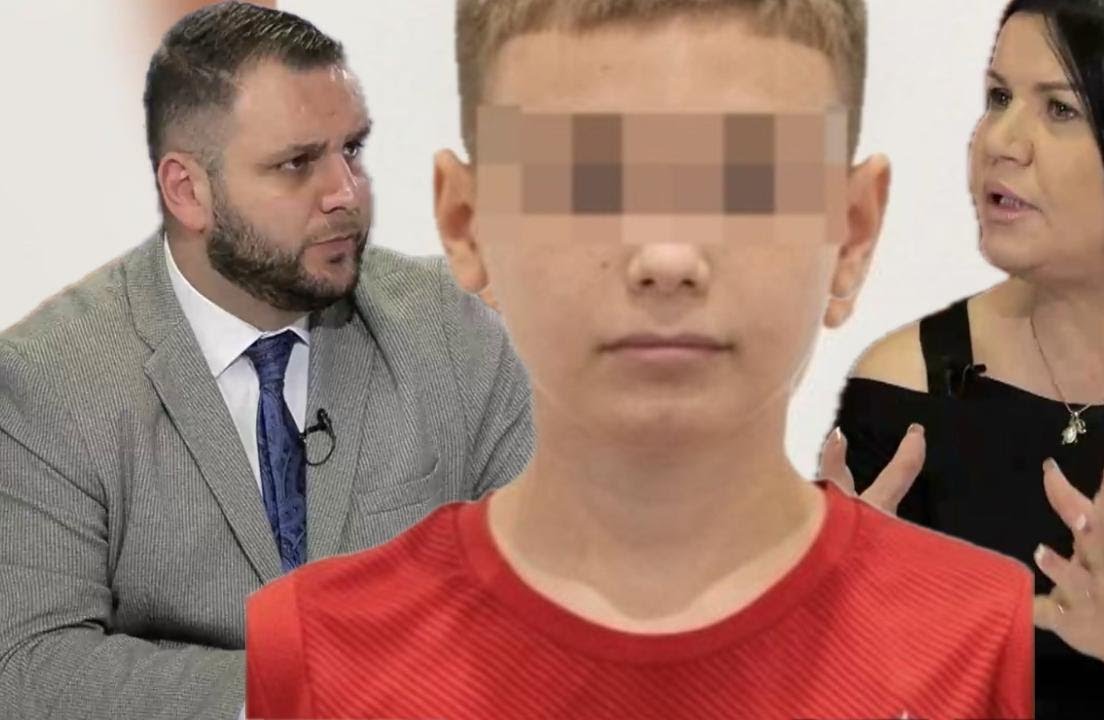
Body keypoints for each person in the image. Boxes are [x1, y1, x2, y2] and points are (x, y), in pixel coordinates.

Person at [244, 1, 1035, 718]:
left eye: (745, 180)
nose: (666, 256)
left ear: (852, 235)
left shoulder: (988, 643)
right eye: (589, 179)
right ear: (468, 223)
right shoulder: (317, 655)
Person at [0, 4, 533, 718]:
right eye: (296, 164)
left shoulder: (455, 329)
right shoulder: (48, 380)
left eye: (351, 150)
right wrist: (303, 689)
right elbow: (29, 665)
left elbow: (553, 600)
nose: (346, 193)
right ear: (188, 191)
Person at [831, 0, 1104, 717]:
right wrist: (826, 619)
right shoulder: (904, 384)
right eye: (998, 98)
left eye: (1061, 109)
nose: (1000, 142)